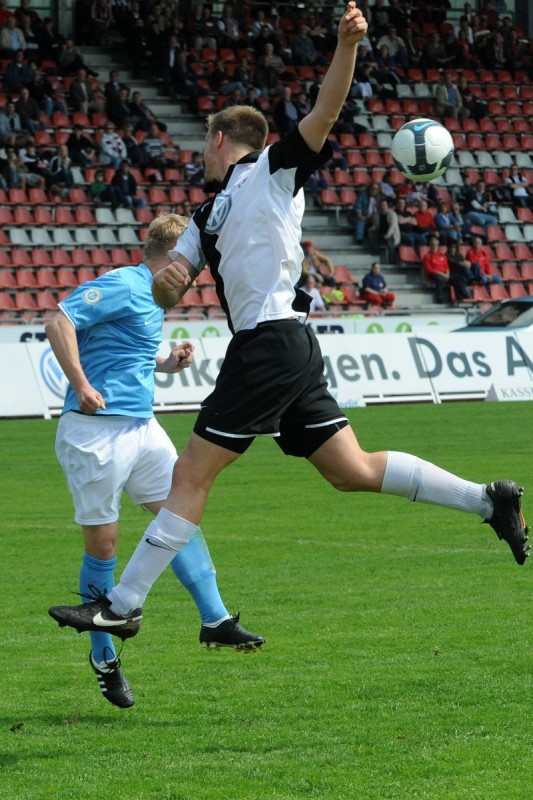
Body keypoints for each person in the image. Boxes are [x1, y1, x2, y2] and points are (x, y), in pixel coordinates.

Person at [48, 4, 529, 652]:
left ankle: (123, 606)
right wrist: (165, 288)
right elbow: (172, 281)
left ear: (220, 138)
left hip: (270, 341)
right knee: (348, 468)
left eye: (204, 145)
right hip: (283, 346)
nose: (201, 155)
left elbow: (323, 115)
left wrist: (347, 46)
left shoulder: (271, 172)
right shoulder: (205, 212)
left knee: (190, 476)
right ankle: (486, 500)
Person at [47, 214, 264, 707]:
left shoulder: (152, 297)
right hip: (95, 434)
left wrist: (167, 363)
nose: (190, 280)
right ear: (172, 258)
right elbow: (58, 319)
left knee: (179, 514)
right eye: (189, 269)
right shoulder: (124, 284)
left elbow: (125, 348)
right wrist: (81, 385)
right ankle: (104, 658)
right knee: (104, 547)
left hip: (142, 428)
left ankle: (216, 620)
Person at [422, 234, 450, 304]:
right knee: (439, 279)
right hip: (434, 276)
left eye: (436, 245)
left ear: (438, 245)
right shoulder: (427, 257)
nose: (434, 246)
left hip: (444, 275)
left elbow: (447, 268)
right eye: (432, 244)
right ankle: (440, 299)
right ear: (430, 246)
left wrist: (446, 275)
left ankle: (457, 298)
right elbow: (429, 270)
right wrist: (442, 274)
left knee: (458, 278)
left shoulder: (443, 256)